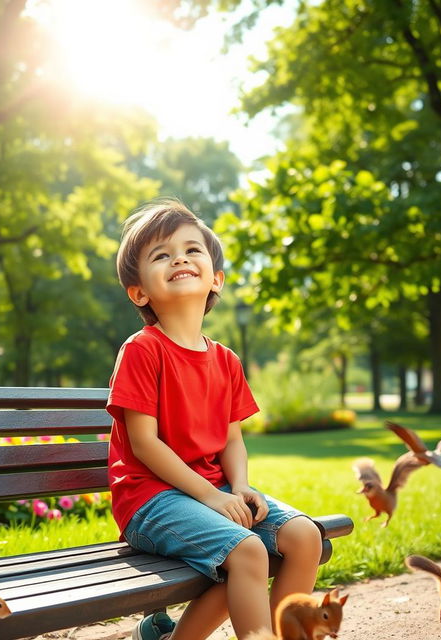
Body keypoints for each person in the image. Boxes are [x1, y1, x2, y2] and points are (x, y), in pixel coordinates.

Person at [106, 198, 324, 640]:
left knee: (304, 537)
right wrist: (211, 496)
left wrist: (240, 488)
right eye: (161, 255)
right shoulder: (142, 350)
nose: (180, 258)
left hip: (215, 491)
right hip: (149, 501)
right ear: (139, 292)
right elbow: (144, 444)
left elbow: (232, 441)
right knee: (246, 551)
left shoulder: (225, 360)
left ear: (215, 279)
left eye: (192, 250)